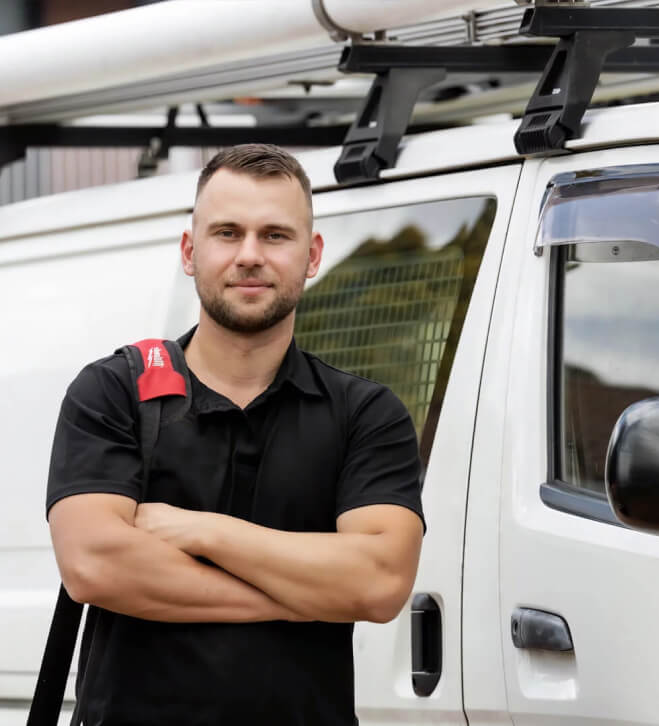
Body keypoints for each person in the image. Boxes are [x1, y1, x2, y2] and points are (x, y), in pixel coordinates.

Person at [45, 144, 425, 726]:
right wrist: (297, 598)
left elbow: (377, 582)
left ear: (312, 254)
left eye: (275, 235)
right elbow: (95, 566)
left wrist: (205, 531)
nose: (250, 255)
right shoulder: (114, 392)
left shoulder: (365, 413)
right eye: (227, 233)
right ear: (190, 252)